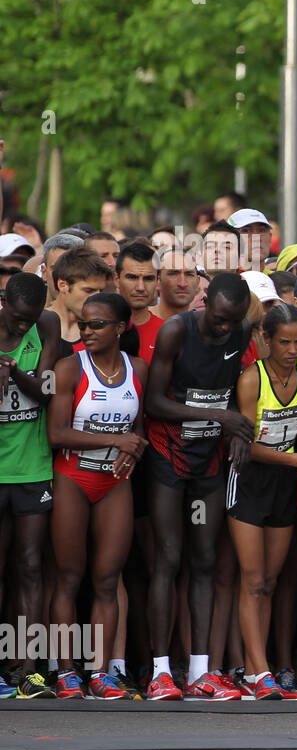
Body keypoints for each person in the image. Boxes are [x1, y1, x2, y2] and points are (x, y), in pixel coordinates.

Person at [144, 272, 254, 701]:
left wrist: (236, 430)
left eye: (235, 321)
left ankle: (200, 671)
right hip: (168, 455)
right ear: (205, 302)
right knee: (168, 558)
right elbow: (154, 402)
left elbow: (232, 395)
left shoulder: (241, 330)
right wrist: (220, 418)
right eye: (221, 319)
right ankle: (158, 671)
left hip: (208, 459)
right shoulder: (176, 331)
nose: (226, 328)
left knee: (205, 560)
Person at [47, 293, 147, 698]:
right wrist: (118, 440)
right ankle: (66, 671)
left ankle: (102, 673)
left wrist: (133, 448)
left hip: (114, 482)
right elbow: (56, 433)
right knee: (70, 577)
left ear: (120, 328)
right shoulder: (69, 368)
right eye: (84, 324)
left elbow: (138, 429)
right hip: (73, 476)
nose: (87, 331)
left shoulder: (137, 367)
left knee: (107, 580)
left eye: (97, 325)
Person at [228, 304, 297, 700]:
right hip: (251, 477)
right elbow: (249, 447)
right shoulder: (252, 379)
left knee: (269, 581)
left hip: (288, 480)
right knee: (252, 579)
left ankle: (258, 670)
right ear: (265, 339)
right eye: (284, 341)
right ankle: (260, 672)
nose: (292, 349)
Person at [0, 273, 62, 697]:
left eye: (31, 319)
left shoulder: (49, 325)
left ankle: (27, 667)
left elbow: (46, 389)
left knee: (31, 566)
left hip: (32, 467)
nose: (25, 327)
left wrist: (13, 371)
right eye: (19, 319)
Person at [114, 240, 164, 361]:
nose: (140, 287)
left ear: (157, 282)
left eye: (148, 279)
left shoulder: (167, 332)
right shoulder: (97, 329)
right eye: (132, 277)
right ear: (116, 279)